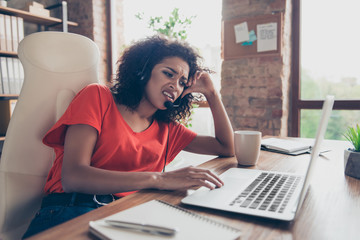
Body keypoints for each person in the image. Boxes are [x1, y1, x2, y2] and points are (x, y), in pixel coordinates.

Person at [23, 35, 234, 237]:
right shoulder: (97, 96)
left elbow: (226, 147)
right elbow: (73, 178)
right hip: (71, 210)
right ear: (142, 71)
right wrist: (159, 179)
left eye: (182, 82)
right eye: (168, 74)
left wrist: (212, 94)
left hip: (127, 215)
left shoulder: (168, 128)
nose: (175, 85)